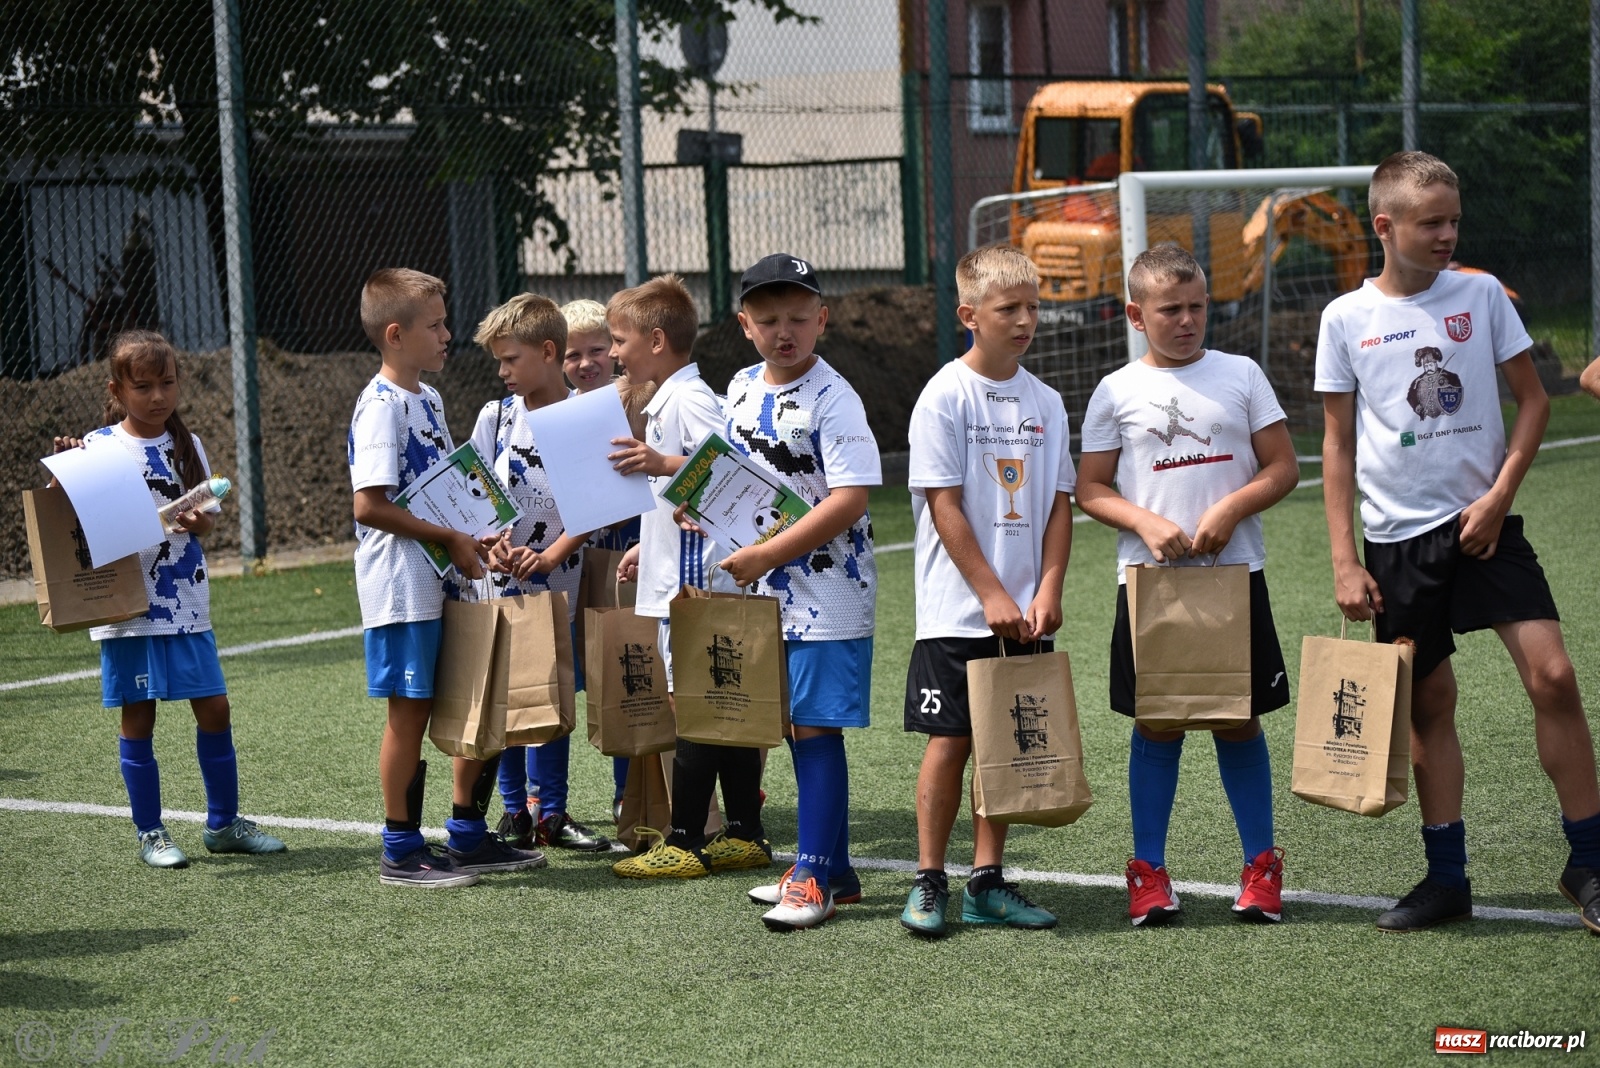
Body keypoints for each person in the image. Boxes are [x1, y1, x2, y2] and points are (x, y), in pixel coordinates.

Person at [1315, 151, 1600, 934]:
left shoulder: (1481, 295)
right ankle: (1447, 879)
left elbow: (1535, 403)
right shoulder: (1345, 319)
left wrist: (1499, 494)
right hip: (1397, 541)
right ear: (1386, 226)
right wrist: (1345, 558)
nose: (1447, 234)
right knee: (1429, 704)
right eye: (1431, 222)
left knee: (1553, 675)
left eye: (1454, 221)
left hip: (1488, 528)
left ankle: (1591, 862)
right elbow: (1337, 447)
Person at [1076, 243, 1298, 926]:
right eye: (1170, 309)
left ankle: (1261, 869)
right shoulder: (1115, 390)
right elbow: (1089, 487)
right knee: (1159, 722)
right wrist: (1144, 521)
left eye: (1196, 305)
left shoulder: (1242, 373)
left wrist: (1233, 508)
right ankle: (1148, 872)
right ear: (1135, 314)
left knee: (1237, 720)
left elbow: (1283, 467)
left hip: (1235, 576)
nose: (1187, 320)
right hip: (1151, 582)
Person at [54, 330, 287, 869]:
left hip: (185, 603)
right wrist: (68, 467)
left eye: (167, 383)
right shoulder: (99, 446)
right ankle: (151, 833)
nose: (158, 396)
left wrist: (197, 519)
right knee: (139, 718)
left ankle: (223, 824)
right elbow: (70, 515)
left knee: (215, 707)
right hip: (128, 611)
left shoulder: (190, 445)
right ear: (117, 389)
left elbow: (206, 520)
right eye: (143, 386)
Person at [900, 244, 1075, 937]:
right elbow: (944, 504)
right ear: (970, 314)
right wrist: (989, 591)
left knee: (1007, 744)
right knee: (951, 741)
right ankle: (929, 878)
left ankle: (986, 880)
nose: (1026, 320)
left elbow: (1060, 504)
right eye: (1010, 309)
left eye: (1034, 307)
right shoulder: (945, 394)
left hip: (1027, 612)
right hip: (958, 609)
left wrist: (1049, 585)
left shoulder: (1049, 401)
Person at [350, 268, 543, 888]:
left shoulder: (427, 399)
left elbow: (439, 492)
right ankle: (400, 849)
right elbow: (369, 506)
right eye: (434, 325)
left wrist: (477, 532)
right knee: (410, 715)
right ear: (395, 334)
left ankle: (466, 833)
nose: (447, 334)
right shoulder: (379, 406)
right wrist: (450, 538)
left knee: (471, 693)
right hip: (402, 585)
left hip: (444, 575)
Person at [715, 253, 879, 930]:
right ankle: (836, 869)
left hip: (829, 590)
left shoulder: (835, 399)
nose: (784, 331)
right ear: (744, 324)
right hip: (768, 589)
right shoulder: (741, 385)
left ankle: (812, 875)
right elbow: (729, 471)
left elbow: (850, 498)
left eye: (798, 317)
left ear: (822, 318)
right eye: (768, 318)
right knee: (790, 723)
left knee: (814, 727)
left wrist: (770, 554)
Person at [604, 275, 763, 879]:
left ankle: (686, 840)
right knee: (722, 706)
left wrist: (661, 461)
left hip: (696, 586)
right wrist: (650, 545)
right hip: (683, 573)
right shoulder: (670, 397)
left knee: (693, 706)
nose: (615, 353)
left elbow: (728, 471)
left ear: (656, 339)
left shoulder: (688, 399)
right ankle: (745, 831)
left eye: (620, 341)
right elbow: (685, 498)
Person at [468, 293, 611, 854]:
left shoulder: (587, 415)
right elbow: (475, 493)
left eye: (511, 359)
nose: (502, 372)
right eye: (498, 362)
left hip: (561, 577)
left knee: (551, 691)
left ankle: (552, 811)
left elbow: (601, 504)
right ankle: (512, 814)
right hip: (501, 577)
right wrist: (492, 543)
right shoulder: (496, 416)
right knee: (506, 689)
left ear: (548, 351)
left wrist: (551, 557)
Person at [561, 296, 646, 822]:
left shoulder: (642, 399)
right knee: (561, 677)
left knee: (628, 674)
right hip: (573, 560)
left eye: (599, 349)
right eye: (574, 355)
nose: (587, 362)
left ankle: (629, 794)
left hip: (630, 556)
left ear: (616, 352)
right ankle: (543, 804)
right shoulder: (551, 411)